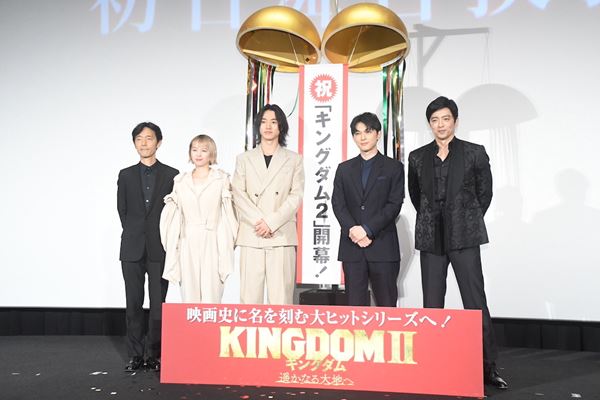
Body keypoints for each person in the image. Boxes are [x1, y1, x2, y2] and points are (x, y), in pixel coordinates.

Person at [408, 96, 508, 389]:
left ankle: (487, 367)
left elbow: (484, 194)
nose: (440, 125)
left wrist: (466, 217)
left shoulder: (475, 153)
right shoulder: (417, 157)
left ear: (455, 121)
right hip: (431, 238)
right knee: (432, 305)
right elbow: (416, 196)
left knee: (475, 303)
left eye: (446, 119)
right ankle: (432, 365)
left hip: (464, 235)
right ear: (429, 124)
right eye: (435, 120)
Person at [117, 122, 178, 372]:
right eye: (139, 139)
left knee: (158, 304)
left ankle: (154, 354)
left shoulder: (172, 175)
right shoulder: (125, 175)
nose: (144, 143)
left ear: (159, 142)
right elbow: (122, 210)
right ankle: (135, 355)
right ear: (134, 143)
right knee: (133, 303)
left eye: (149, 138)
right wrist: (135, 232)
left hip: (158, 247)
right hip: (131, 247)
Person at [232, 104, 305, 305]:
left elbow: (296, 195)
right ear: (258, 126)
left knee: (281, 299)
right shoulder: (244, 159)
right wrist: (260, 222)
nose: (268, 126)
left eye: (273, 122)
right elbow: (238, 193)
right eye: (264, 122)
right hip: (252, 232)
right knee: (249, 300)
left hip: (281, 234)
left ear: (281, 126)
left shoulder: (294, 159)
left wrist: (271, 222)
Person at [331, 112, 405, 307]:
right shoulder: (344, 169)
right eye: (357, 133)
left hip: (382, 246)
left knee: (387, 306)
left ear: (378, 134)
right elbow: (338, 204)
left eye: (368, 131)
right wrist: (353, 230)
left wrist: (367, 229)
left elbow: (394, 204)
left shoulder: (393, 167)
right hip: (352, 247)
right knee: (354, 307)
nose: (362, 137)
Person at [160, 135, 237, 303]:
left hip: (213, 238)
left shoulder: (221, 179)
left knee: (212, 292)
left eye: (204, 150)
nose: (198, 154)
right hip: (187, 239)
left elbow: (228, 213)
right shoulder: (180, 181)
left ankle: (211, 321)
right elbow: (174, 215)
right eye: (194, 150)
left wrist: (228, 241)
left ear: (211, 153)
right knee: (189, 292)